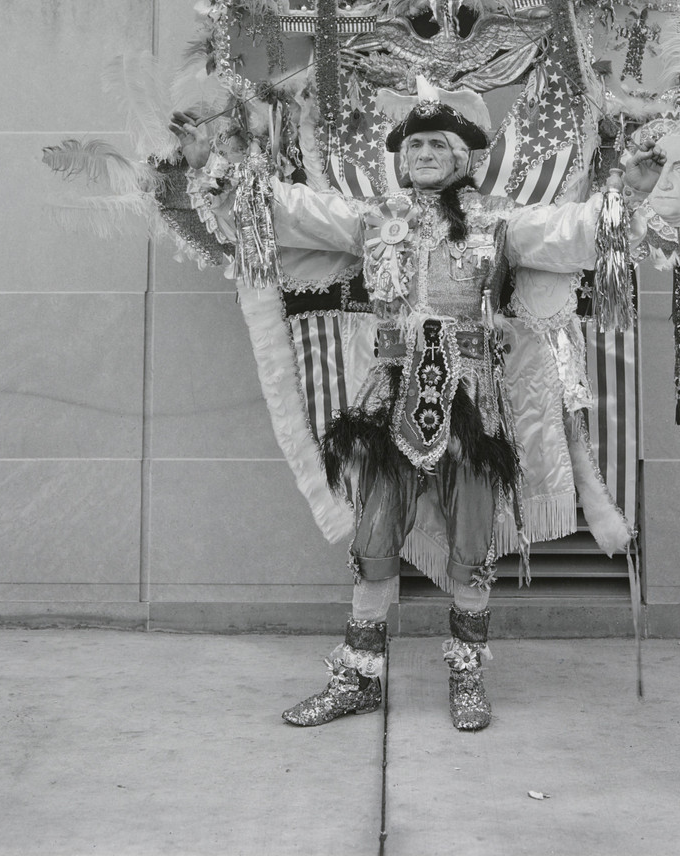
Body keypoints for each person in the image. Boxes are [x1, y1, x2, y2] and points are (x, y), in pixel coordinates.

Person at [178, 92, 609, 733]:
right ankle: (356, 680)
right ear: (402, 160)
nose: (425, 153)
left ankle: (467, 677)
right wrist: (222, 170)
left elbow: (573, 231)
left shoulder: (501, 223)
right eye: (414, 145)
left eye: (438, 145)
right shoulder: (373, 218)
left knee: (473, 544)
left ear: (463, 158)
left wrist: (640, 196)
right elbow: (290, 211)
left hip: (474, 407)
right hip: (391, 402)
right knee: (373, 542)